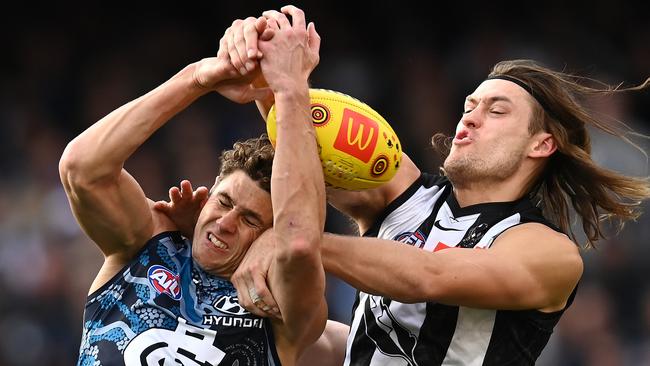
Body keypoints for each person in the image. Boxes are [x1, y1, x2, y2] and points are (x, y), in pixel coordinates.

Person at [159, 12, 650, 366]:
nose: (470, 119)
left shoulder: (547, 250)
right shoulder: (405, 194)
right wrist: (264, 77)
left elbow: (427, 276)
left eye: (496, 111)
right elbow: (310, 146)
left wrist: (290, 243)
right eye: (469, 106)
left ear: (542, 145)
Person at [59, 6, 330, 365]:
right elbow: (82, 168)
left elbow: (299, 240)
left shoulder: (275, 305)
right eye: (224, 201)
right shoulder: (148, 246)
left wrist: (289, 86)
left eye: (250, 220)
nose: (225, 223)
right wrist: (198, 78)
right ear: (211, 188)